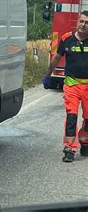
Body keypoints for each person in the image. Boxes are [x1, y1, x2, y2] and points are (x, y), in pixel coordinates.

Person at [43, 11, 88, 162]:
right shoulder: (66, 38)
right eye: (81, 21)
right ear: (77, 22)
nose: (83, 24)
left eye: (87, 22)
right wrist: (48, 75)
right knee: (71, 117)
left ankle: (85, 142)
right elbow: (56, 57)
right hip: (72, 85)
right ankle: (69, 149)